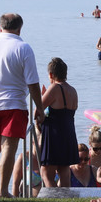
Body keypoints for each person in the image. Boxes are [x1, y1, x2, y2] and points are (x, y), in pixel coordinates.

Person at [0, 13, 45, 198]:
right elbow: (33, 83)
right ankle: (3, 191)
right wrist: (39, 107)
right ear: (20, 28)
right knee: (8, 148)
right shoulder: (23, 48)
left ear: (0, 27)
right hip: (14, 104)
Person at [38, 57, 79, 187]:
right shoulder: (73, 91)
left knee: (46, 172)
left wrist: (42, 96)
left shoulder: (54, 88)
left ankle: (54, 197)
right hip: (69, 132)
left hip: (54, 133)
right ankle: (65, 198)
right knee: (64, 169)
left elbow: (38, 112)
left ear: (51, 74)